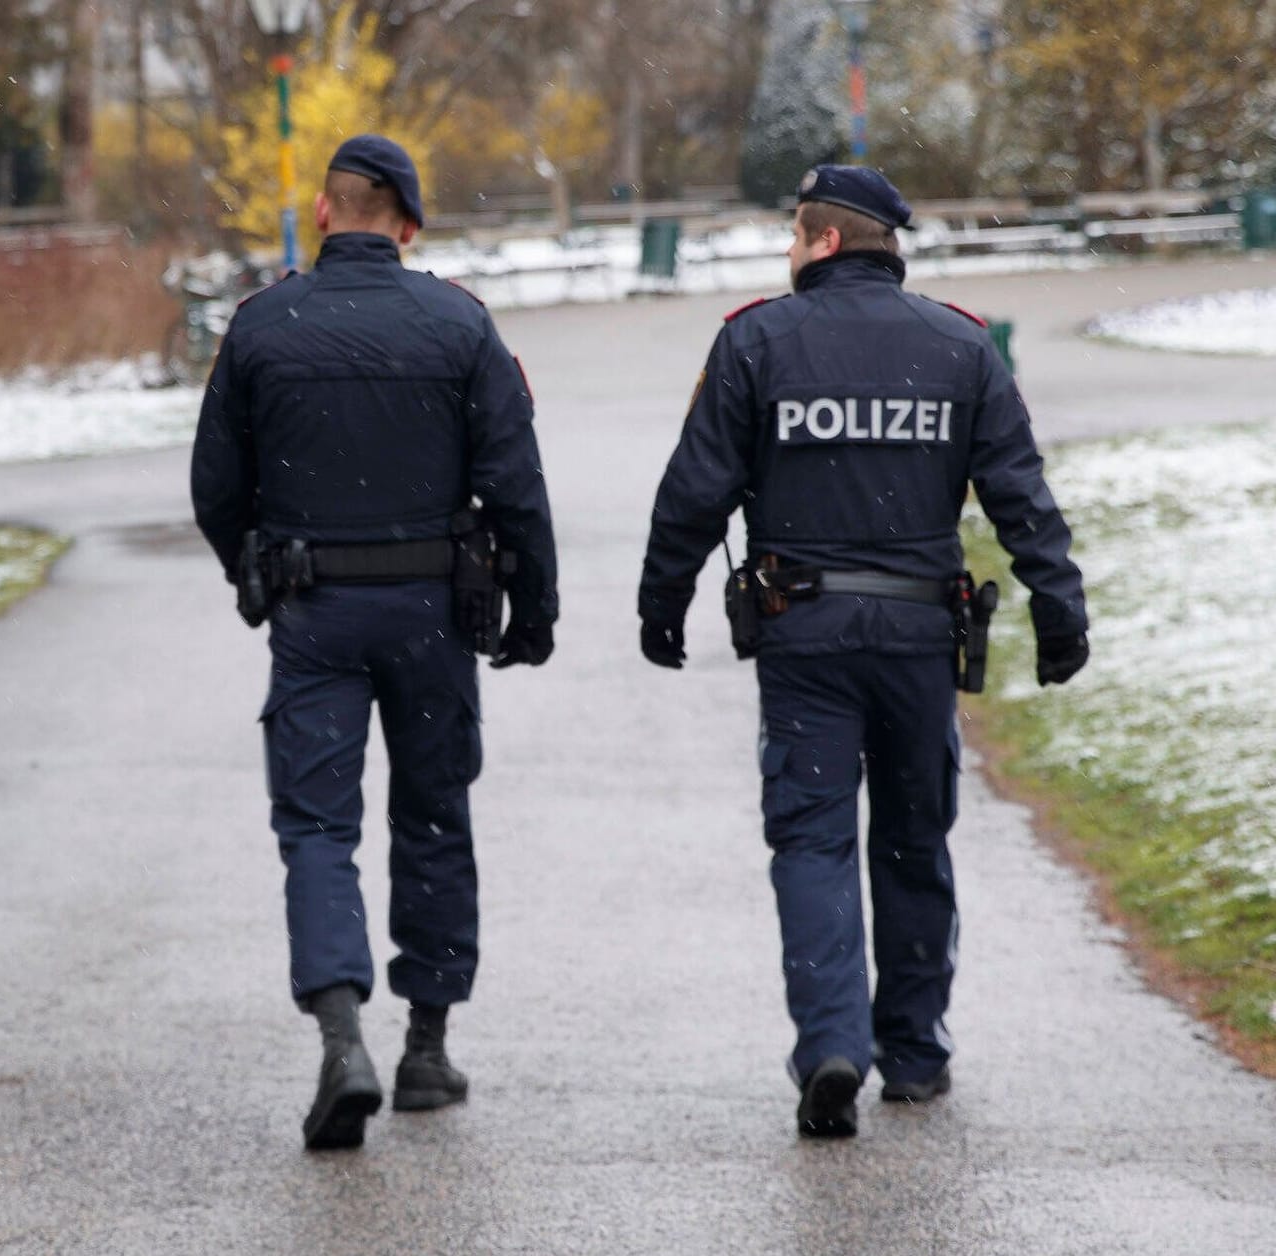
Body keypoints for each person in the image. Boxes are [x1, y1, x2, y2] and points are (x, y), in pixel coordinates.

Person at [637, 165, 1090, 1139]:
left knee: (812, 838)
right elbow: (1019, 491)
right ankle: (916, 1051)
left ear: (828, 242)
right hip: (921, 636)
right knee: (913, 837)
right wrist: (1061, 607)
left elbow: (695, 488)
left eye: (797, 236)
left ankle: (833, 1042)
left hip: (804, 635)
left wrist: (661, 601)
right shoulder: (960, 345)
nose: (789, 253)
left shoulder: (756, 340)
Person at [192, 134, 559, 1151]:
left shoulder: (263, 326)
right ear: (407, 223)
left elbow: (214, 485)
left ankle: (340, 1033)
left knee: (317, 825)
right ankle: (426, 1051)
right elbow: (516, 485)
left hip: (315, 612)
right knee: (433, 814)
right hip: (434, 612)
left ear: (323, 211)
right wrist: (535, 612)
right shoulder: (460, 324)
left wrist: (256, 566)